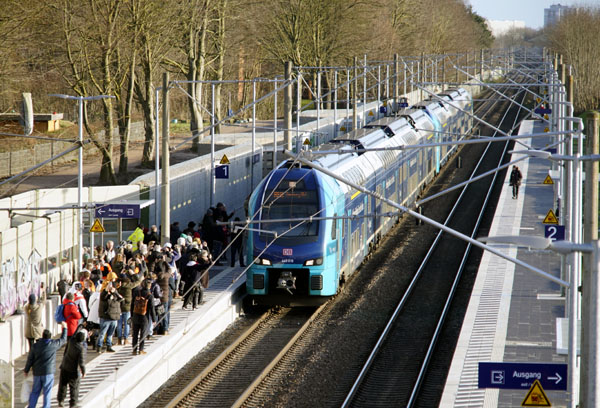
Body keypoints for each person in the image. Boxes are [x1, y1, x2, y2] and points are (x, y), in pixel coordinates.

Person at [24, 321, 68, 408]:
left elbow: (30, 358)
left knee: (35, 391)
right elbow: (63, 339)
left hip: (37, 373)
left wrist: (26, 370)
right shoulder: (53, 345)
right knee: (47, 392)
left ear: (42, 336)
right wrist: (65, 328)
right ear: (50, 337)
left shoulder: (35, 346)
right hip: (48, 372)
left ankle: (31, 406)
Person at [57, 328, 86, 408]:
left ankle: (61, 400)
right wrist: (83, 371)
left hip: (64, 366)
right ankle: (73, 403)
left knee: (62, 384)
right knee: (74, 387)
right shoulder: (80, 348)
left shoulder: (71, 341)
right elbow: (81, 362)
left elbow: (74, 334)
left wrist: (80, 326)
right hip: (73, 370)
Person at [131, 279, 156, 355]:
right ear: (149, 286)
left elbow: (132, 304)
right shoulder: (149, 295)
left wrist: (132, 314)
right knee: (143, 333)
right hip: (144, 316)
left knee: (135, 333)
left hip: (135, 315)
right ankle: (141, 349)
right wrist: (154, 319)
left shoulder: (136, 292)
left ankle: (134, 349)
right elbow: (152, 308)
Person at [25, 285, 47, 351]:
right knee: (39, 348)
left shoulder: (27, 308)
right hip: (38, 330)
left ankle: (31, 359)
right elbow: (44, 300)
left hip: (29, 330)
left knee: (31, 348)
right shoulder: (39, 307)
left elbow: (27, 304)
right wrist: (43, 291)